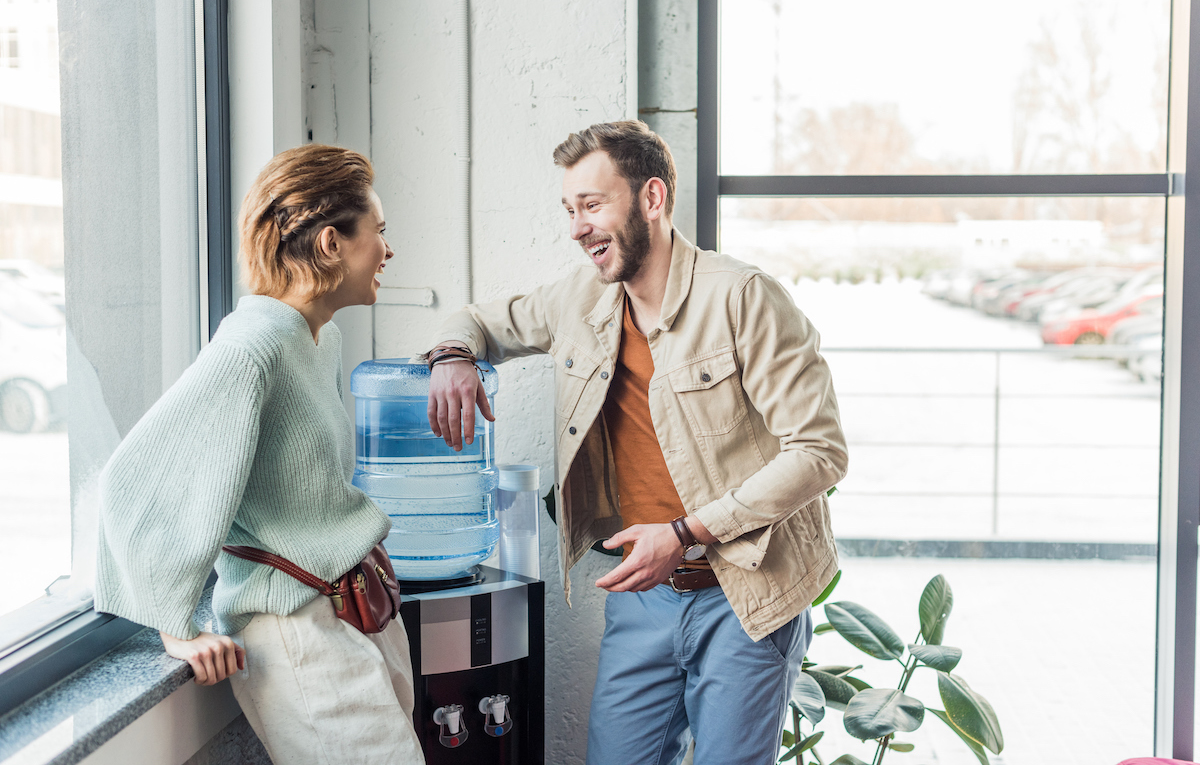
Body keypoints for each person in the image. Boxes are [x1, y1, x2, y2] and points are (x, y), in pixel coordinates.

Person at [425, 120, 848, 765]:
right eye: (570, 209)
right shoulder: (581, 300)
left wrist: (684, 533)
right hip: (644, 598)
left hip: (745, 597)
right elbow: (481, 320)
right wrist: (454, 355)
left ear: (652, 198)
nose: (577, 229)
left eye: (593, 206)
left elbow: (819, 452)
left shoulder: (742, 298)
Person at [94, 144, 425, 764]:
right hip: (300, 634)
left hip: (357, 611)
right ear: (331, 243)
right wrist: (176, 626)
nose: (387, 248)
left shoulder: (316, 338)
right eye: (378, 231)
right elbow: (134, 479)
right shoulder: (255, 344)